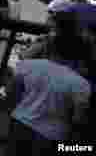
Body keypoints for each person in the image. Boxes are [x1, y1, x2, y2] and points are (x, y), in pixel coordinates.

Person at [7, 25, 91, 155]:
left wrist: (16, 110)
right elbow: (78, 119)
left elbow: (10, 91)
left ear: (52, 48)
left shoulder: (28, 66)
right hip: (52, 135)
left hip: (20, 123)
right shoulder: (81, 84)